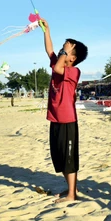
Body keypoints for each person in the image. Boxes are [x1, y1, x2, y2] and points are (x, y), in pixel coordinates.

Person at [39, 18, 88, 203]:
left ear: (72, 58)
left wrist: (64, 52)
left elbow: (60, 65)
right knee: (59, 156)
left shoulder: (74, 71)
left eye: (66, 52)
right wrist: (47, 30)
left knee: (69, 158)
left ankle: (71, 195)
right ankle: (70, 189)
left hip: (68, 120)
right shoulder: (58, 64)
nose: (61, 52)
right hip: (55, 119)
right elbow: (50, 51)